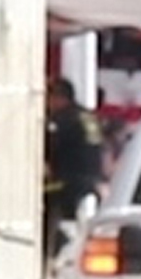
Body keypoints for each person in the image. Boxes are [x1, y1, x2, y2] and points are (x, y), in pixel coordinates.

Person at [41, 78, 101, 269]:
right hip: (90, 179)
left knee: (39, 204)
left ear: (59, 98)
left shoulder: (63, 120)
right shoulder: (87, 116)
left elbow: (48, 148)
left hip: (67, 180)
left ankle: (54, 252)